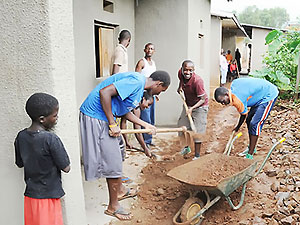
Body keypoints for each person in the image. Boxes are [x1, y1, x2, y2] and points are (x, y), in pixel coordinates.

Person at [79, 70, 170, 221]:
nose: (159, 94)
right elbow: (105, 92)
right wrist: (112, 123)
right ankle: (113, 207)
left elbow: (123, 111)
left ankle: (120, 190)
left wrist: (145, 124)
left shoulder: (139, 87)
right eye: (162, 90)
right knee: (112, 160)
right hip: (96, 117)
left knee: (119, 151)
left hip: (104, 117)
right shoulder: (136, 82)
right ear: (158, 84)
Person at [14, 93, 70, 225]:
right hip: (48, 196)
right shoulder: (51, 139)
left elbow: (19, 163)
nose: (57, 118)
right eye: (55, 115)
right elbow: (66, 167)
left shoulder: (21, 136)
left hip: (31, 196)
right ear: (42, 119)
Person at [214, 78, 279, 159]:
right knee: (249, 121)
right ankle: (252, 148)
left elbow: (243, 115)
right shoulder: (234, 85)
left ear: (227, 94)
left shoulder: (238, 99)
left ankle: (250, 154)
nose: (223, 104)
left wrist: (237, 128)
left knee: (255, 123)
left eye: (223, 101)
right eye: (221, 103)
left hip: (268, 95)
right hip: (259, 95)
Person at [177, 60, 209, 160]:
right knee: (182, 126)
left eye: (190, 70)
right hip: (188, 104)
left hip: (200, 106)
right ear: (182, 69)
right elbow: (181, 81)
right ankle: (187, 148)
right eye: (185, 70)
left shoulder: (197, 81)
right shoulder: (180, 73)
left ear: (193, 70)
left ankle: (197, 155)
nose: (187, 72)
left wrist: (192, 108)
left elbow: (202, 99)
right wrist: (180, 88)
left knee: (198, 131)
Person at [135, 43, 157, 147]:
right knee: (145, 118)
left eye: (151, 49)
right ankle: (145, 142)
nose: (149, 50)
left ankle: (149, 139)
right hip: (144, 94)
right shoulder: (141, 62)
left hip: (151, 94)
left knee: (151, 118)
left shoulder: (153, 63)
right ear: (144, 50)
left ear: (154, 51)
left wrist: (156, 94)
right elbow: (136, 78)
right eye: (148, 48)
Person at [123, 91, 154, 156]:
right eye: (148, 104)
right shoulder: (133, 103)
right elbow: (124, 123)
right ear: (143, 99)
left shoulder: (137, 107)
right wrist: (145, 148)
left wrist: (126, 142)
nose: (148, 107)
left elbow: (136, 129)